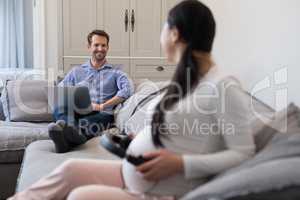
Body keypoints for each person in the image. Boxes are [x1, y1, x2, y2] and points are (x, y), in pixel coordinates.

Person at [9, 0, 255, 199]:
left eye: (162, 29)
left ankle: (73, 132)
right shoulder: (187, 82)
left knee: (81, 196)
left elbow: (244, 154)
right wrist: (141, 138)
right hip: (141, 172)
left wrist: (181, 164)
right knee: (69, 170)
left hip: (163, 188)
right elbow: (183, 134)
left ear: (174, 34)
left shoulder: (224, 86)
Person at [48, 30, 133, 153]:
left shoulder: (116, 72)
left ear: (108, 47)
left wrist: (102, 105)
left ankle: (65, 138)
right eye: (96, 45)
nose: (100, 48)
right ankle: (68, 136)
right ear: (89, 47)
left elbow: (127, 90)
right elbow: (61, 91)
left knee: (87, 123)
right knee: (59, 109)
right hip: (78, 111)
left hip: (102, 113)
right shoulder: (76, 71)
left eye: (103, 45)